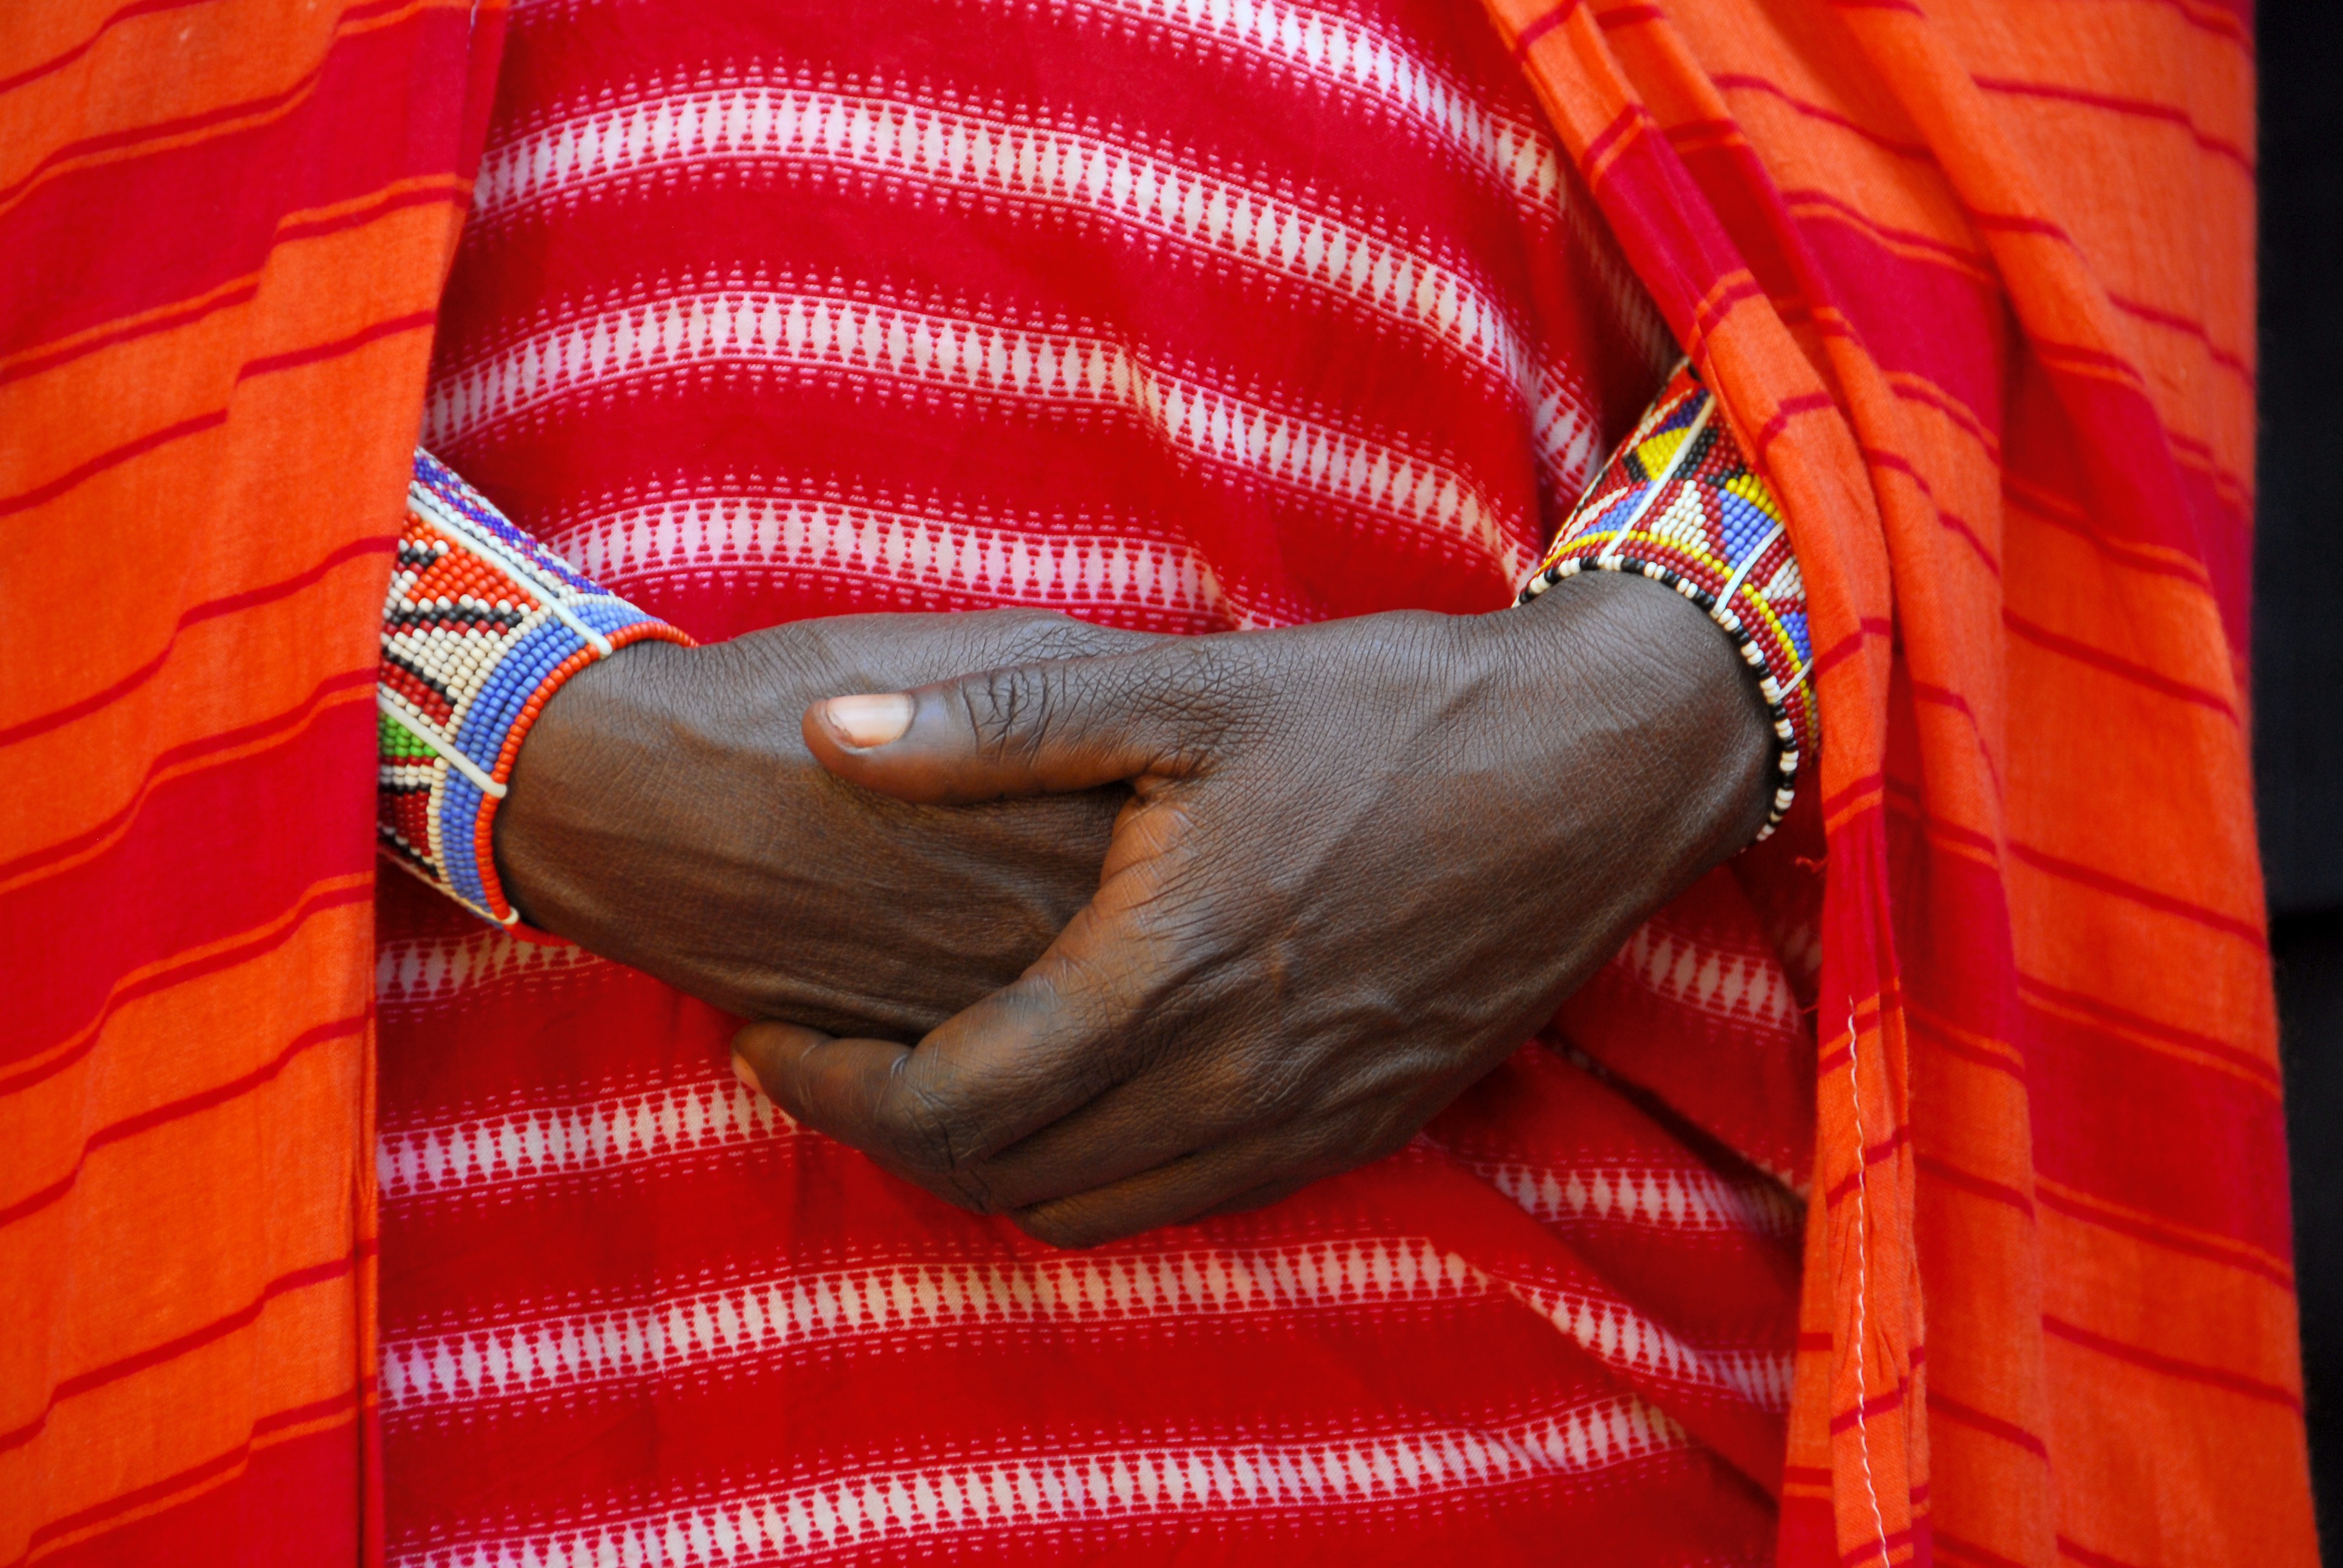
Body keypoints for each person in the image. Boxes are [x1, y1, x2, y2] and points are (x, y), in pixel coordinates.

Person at [0, 0, 2310, 1565]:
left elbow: (2054, 129)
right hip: (432, 1305)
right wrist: (486, 730)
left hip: (1555, 1282)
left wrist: (1651, 695)